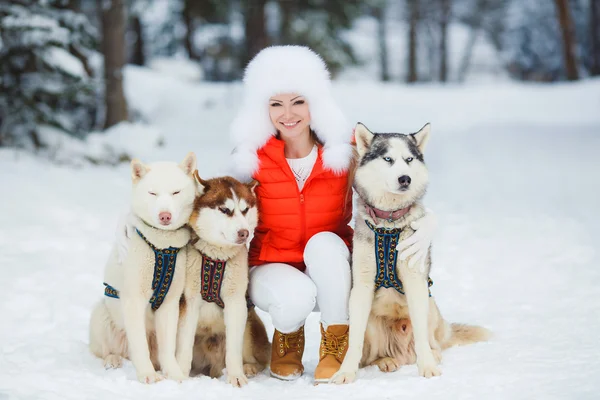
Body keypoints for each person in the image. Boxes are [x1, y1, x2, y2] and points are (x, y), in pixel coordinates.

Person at [227, 45, 437, 383]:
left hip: (331, 267)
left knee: (324, 242)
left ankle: (335, 342)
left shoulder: (343, 155)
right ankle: (288, 336)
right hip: (270, 266)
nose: (288, 113)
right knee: (295, 297)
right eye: (276, 104)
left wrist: (427, 220)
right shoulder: (250, 159)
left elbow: (388, 193)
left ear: (316, 104)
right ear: (261, 109)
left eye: (298, 101)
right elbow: (216, 208)